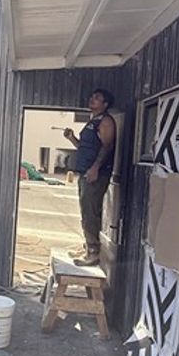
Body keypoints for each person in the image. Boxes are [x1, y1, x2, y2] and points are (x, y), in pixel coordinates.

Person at [63, 89, 116, 266]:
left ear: (105, 104)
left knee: (90, 212)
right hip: (85, 173)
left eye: (97, 98)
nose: (92, 99)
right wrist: (72, 138)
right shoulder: (92, 121)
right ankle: (89, 247)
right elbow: (85, 147)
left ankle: (93, 253)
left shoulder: (105, 121)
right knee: (86, 211)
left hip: (95, 175)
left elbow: (107, 146)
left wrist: (95, 168)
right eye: (92, 96)